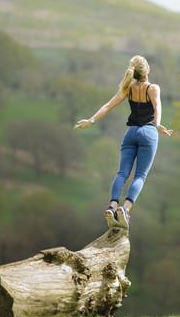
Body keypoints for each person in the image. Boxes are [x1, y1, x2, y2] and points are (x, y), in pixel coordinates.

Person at [74, 55, 173, 229]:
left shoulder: (128, 88)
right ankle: (125, 209)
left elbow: (108, 105)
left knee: (122, 173)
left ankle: (112, 206)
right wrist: (157, 125)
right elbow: (157, 106)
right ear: (147, 70)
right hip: (148, 133)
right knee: (140, 175)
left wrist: (91, 120)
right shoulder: (153, 88)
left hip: (131, 133)